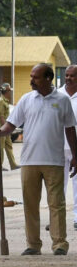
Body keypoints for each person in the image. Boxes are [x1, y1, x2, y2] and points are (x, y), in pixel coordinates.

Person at [0, 63, 77, 256]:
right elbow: (11, 123)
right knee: (30, 204)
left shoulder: (62, 100)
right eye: (31, 76)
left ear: (48, 78)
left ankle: (59, 244)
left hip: (54, 160)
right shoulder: (26, 99)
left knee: (57, 204)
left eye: (36, 77)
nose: (32, 80)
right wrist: (0, 133)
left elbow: (70, 129)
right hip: (29, 160)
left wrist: (75, 155)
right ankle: (33, 244)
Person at [58, 64, 77, 231]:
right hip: (58, 146)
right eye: (67, 75)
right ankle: (58, 218)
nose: (69, 78)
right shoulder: (56, 95)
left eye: (72, 75)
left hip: (76, 148)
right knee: (58, 184)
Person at [0, 83, 19, 171]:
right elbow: (1, 116)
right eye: (9, 91)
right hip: (2, 128)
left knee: (9, 146)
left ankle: (13, 164)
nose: (10, 93)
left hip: (6, 128)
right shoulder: (1, 101)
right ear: (6, 91)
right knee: (1, 147)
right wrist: (4, 128)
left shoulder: (5, 101)